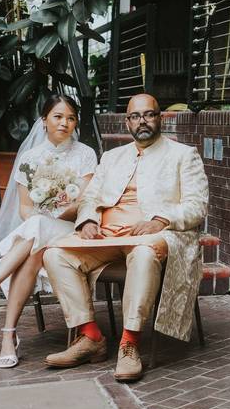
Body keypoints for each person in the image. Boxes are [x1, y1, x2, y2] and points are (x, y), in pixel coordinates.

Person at [41, 93, 208, 383]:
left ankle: (130, 343)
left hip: (156, 236)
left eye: (149, 114)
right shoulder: (112, 156)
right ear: (127, 121)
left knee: (143, 254)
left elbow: (197, 206)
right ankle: (91, 336)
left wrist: (160, 220)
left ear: (160, 117)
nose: (142, 121)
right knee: (54, 254)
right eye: (135, 116)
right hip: (106, 237)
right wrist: (89, 220)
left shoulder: (183, 155)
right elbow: (90, 197)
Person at [0, 94, 97, 368]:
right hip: (39, 233)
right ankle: (8, 336)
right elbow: (24, 208)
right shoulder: (30, 158)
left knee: (38, 227)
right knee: (34, 247)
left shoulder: (86, 154)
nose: (64, 123)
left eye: (70, 118)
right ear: (44, 121)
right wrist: (42, 211)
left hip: (70, 229)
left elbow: (84, 203)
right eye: (58, 116)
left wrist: (57, 205)